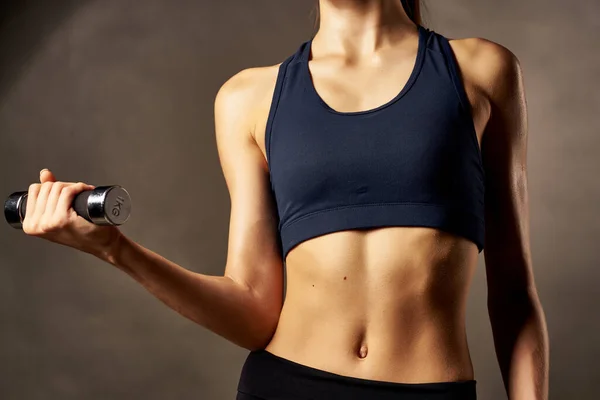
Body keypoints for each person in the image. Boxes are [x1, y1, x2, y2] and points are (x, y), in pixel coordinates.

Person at [22, 0, 549, 399]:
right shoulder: (249, 98)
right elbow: (252, 309)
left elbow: (513, 292)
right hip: (286, 385)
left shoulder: (481, 71)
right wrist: (116, 249)